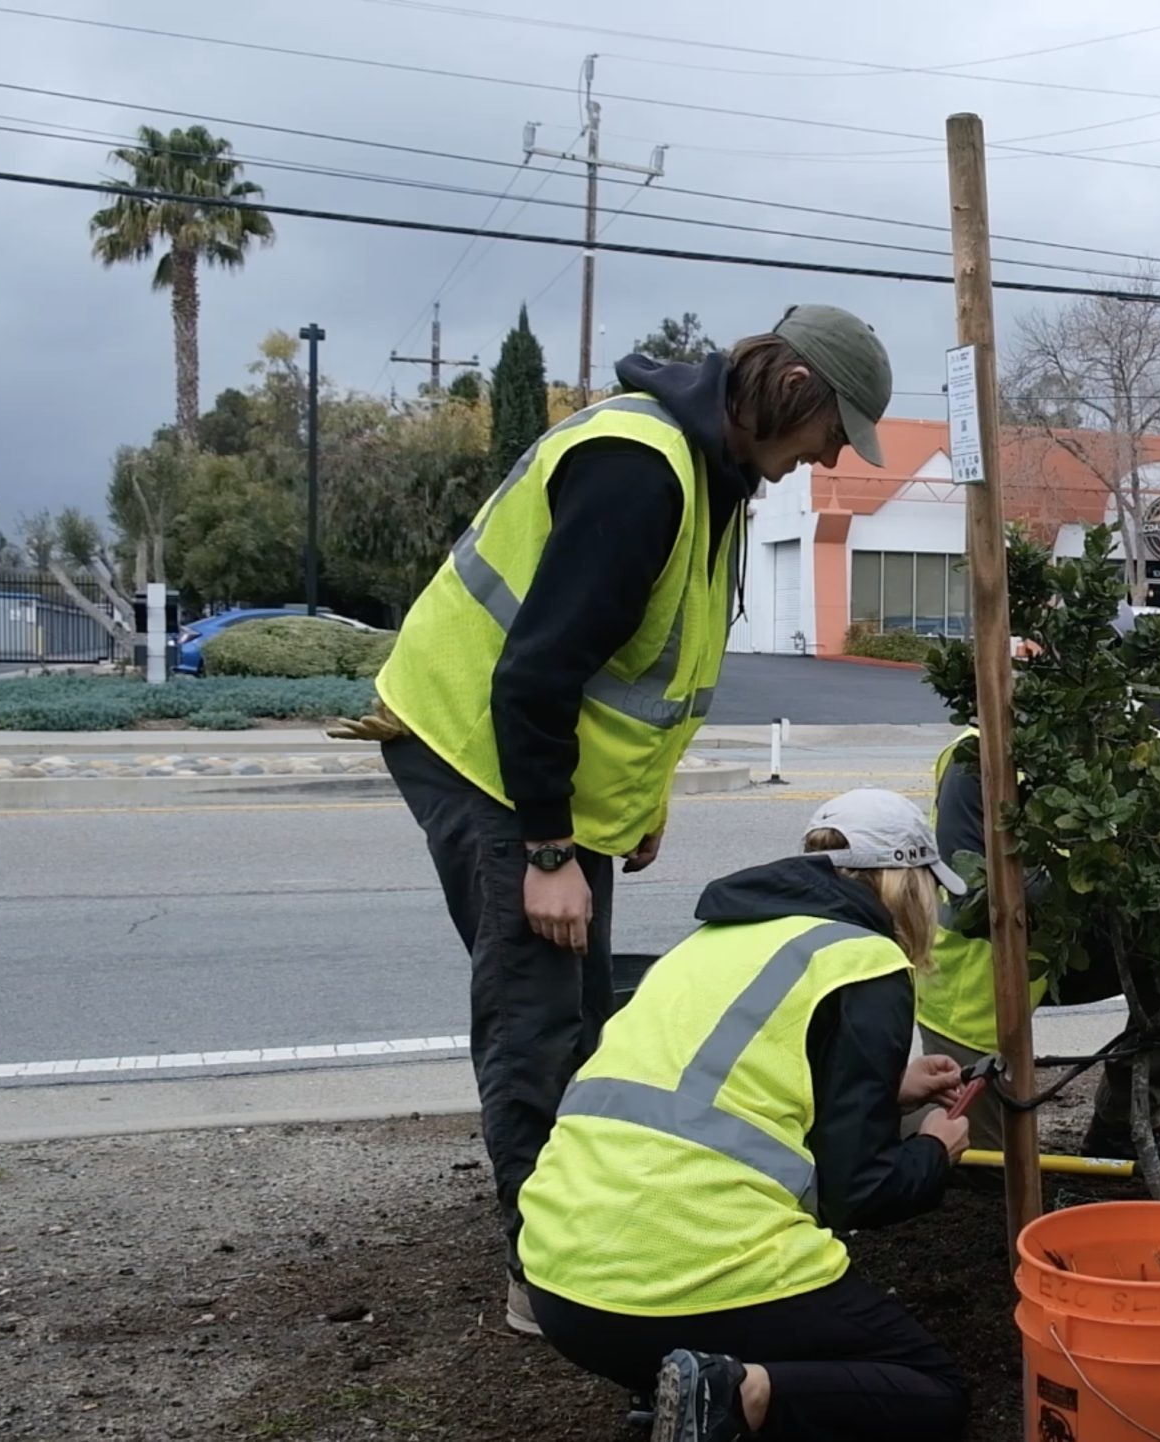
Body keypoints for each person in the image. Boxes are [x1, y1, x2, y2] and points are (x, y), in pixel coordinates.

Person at [359, 304, 894, 1335]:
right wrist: (552, 848)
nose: (829, 456)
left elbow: (649, 667)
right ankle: (543, 1268)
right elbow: (535, 673)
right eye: (833, 429)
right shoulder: (639, 468)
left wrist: (636, 806)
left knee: (582, 1004)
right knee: (535, 1008)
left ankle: (586, 1220)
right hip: (480, 747)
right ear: (790, 389)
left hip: (540, 768)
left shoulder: (714, 474)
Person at [515, 788, 974, 1442]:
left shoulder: (716, 939)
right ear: (906, 884)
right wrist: (935, 1151)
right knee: (930, 1390)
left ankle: (677, 1389)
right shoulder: (866, 960)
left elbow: (722, 1092)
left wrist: (881, 1089)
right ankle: (734, 1395)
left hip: (562, 1282)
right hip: (683, 1273)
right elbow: (860, 1193)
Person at [916, 725, 1160, 1167]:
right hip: (976, 981)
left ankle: (1123, 1128)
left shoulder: (1118, 741)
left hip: (1061, 947)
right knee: (979, 1169)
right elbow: (972, 898)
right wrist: (1092, 889)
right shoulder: (976, 756)